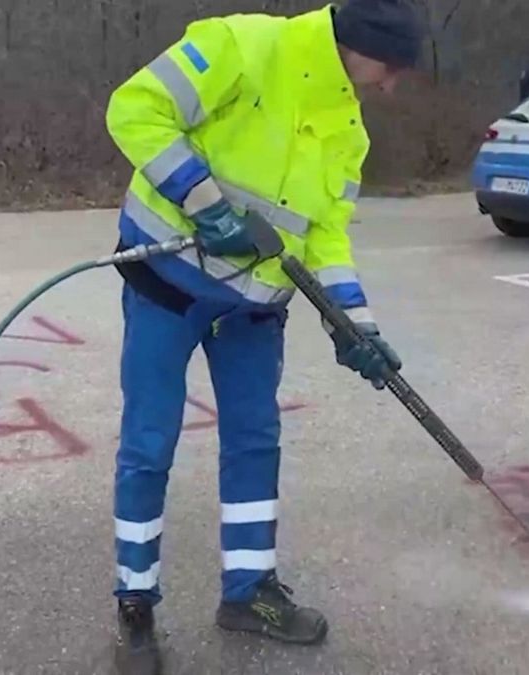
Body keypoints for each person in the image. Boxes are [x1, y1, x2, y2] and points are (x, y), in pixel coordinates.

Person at [102, 0, 422, 669]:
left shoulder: (349, 130)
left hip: (252, 309)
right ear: (356, 41)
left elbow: (325, 234)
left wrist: (354, 324)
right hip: (168, 285)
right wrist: (205, 203)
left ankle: (247, 592)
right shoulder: (242, 46)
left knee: (254, 442)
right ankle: (136, 602)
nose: (392, 84)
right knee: (149, 444)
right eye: (390, 66)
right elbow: (134, 107)